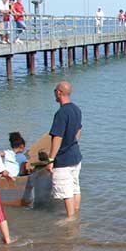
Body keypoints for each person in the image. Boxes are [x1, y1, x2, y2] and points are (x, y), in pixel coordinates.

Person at [45, 81, 82, 218]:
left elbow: (57, 138)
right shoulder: (76, 109)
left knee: (65, 191)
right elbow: (78, 131)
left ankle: (70, 219)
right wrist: (72, 142)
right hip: (75, 155)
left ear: (59, 92)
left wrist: (50, 159)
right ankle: (76, 214)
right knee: (75, 187)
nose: (54, 92)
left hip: (63, 159)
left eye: (55, 90)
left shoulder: (61, 113)